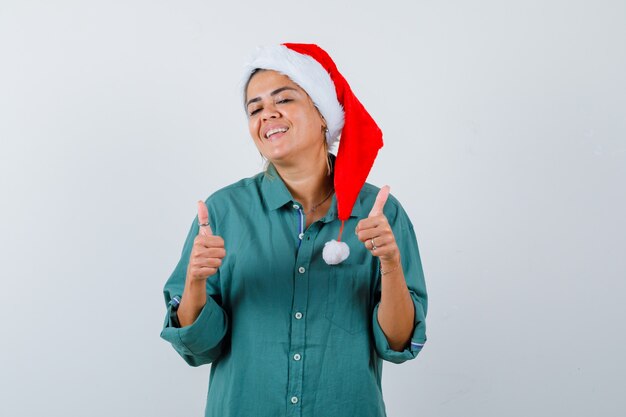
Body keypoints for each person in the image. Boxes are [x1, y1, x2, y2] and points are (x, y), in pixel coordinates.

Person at [160, 43, 427, 417]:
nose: (267, 114)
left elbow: (398, 344)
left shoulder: (380, 215)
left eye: (283, 99)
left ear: (323, 115)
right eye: (255, 108)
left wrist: (391, 264)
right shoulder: (223, 213)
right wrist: (195, 283)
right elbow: (198, 348)